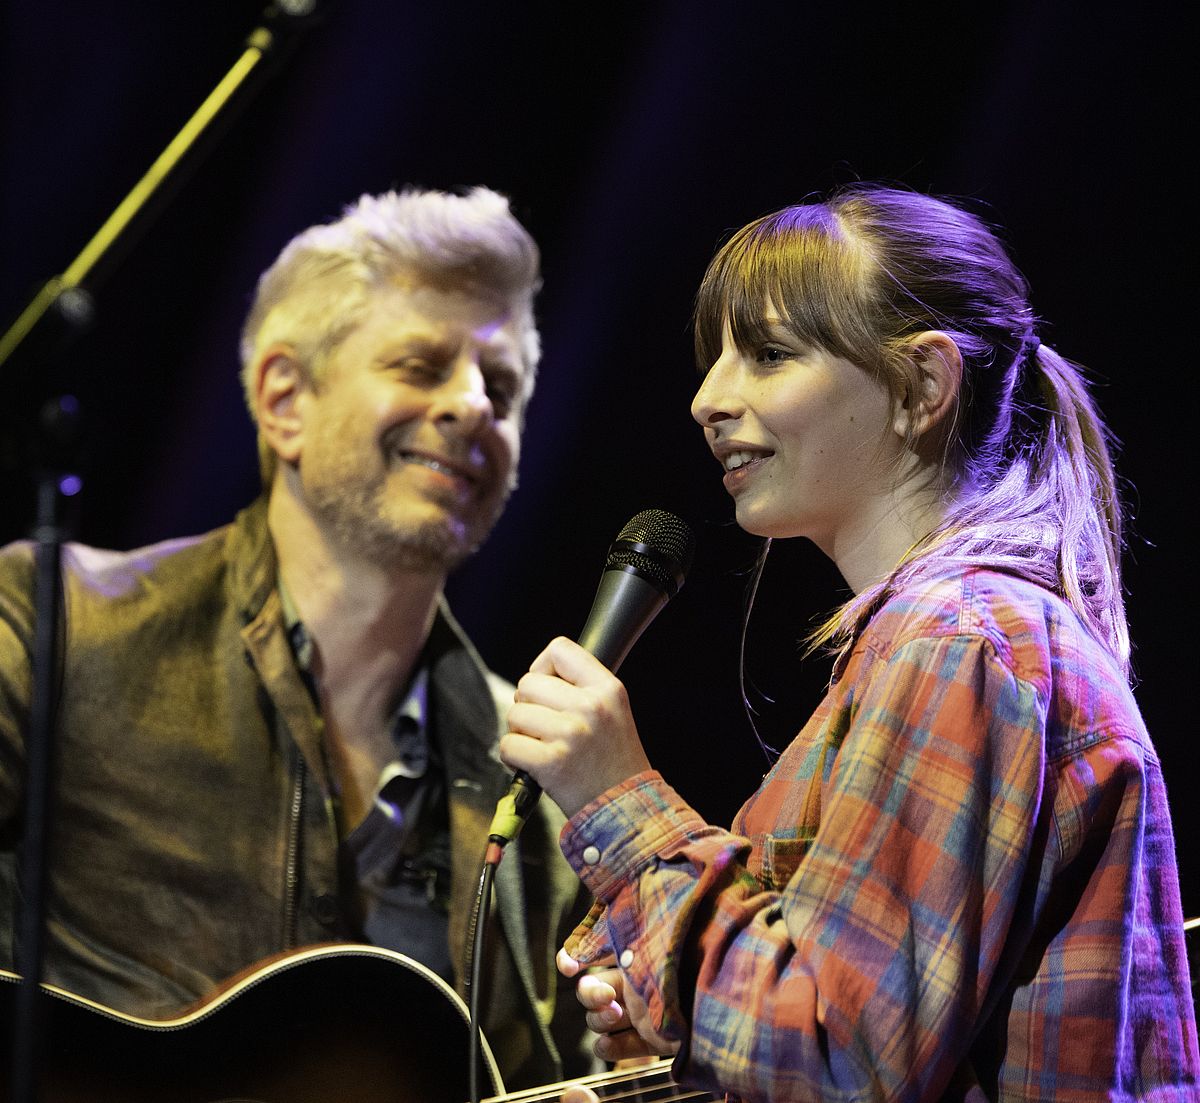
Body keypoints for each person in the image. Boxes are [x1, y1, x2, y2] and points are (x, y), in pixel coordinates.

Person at [500, 185, 1200, 1101]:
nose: (708, 398)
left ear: (920, 386)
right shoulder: (947, 637)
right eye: (717, 359)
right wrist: (685, 1007)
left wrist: (617, 798)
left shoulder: (960, 642)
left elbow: (839, 1055)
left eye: (770, 355)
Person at [0, 187, 592, 1090]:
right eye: (423, 364)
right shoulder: (54, 621)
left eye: (501, 386)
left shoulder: (542, 783)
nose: (475, 405)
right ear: (286, 399)